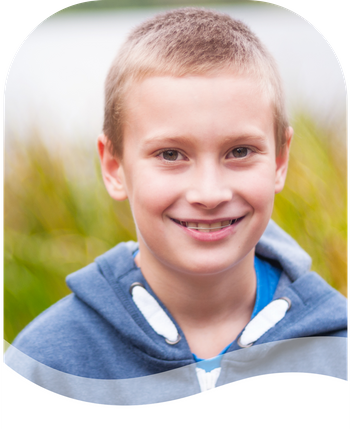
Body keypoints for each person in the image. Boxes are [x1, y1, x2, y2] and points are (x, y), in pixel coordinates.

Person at [6, 7, 347, 405]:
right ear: (114, 166)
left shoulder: (338, 356)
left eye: (239, 151)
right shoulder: (46, 368)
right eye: (171, 154)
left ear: (280, 160)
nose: (209, 192)